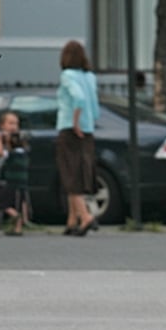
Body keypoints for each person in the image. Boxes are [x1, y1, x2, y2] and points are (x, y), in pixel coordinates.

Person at [56, 40, 100, 236]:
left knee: (69, 173)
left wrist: (75, 121)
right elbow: (94, 104)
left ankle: (85, 216)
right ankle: (72, 220)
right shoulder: (90, 77)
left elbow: (78, 98)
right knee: (81, 171)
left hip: (70, 128)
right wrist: (89, 122)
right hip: (88, 129)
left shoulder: (67, 76)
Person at [0, 111, 29, 236]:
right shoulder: (16, 140)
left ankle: (17, 217)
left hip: (13, 180)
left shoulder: (16, 140)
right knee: (17, 202)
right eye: (11, 123)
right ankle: (17, 227)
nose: (14, 126)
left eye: (15, 123)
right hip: (21, 181)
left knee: (3, 202)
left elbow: (1, 152)